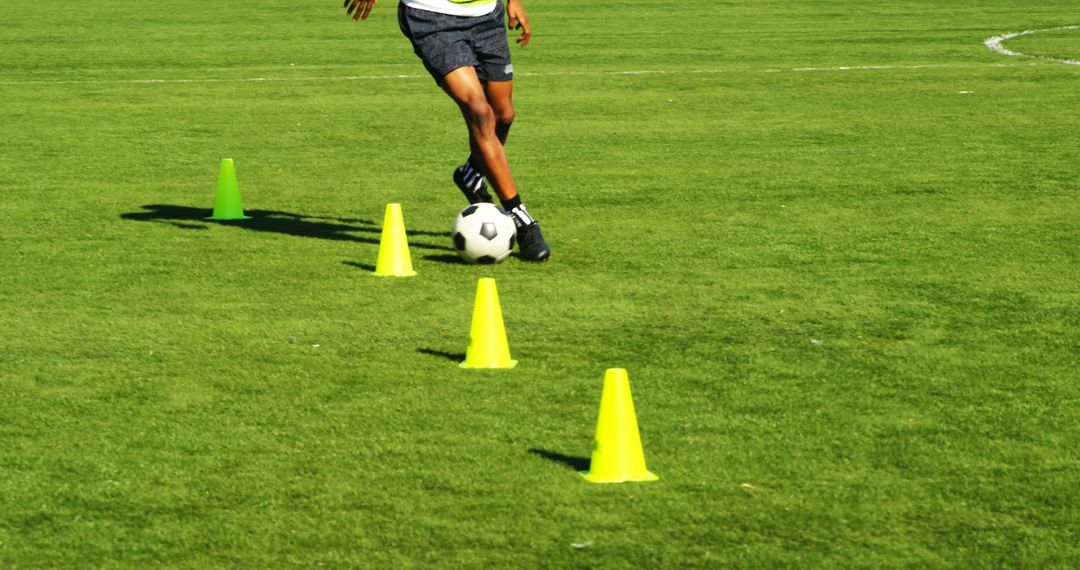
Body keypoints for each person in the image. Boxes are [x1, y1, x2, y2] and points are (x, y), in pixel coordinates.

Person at [345, 0, 551, 262]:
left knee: (503, 115)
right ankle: (522, 221)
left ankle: (472, 174)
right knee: (479, 112)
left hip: (486, 15)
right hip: (430, 16)